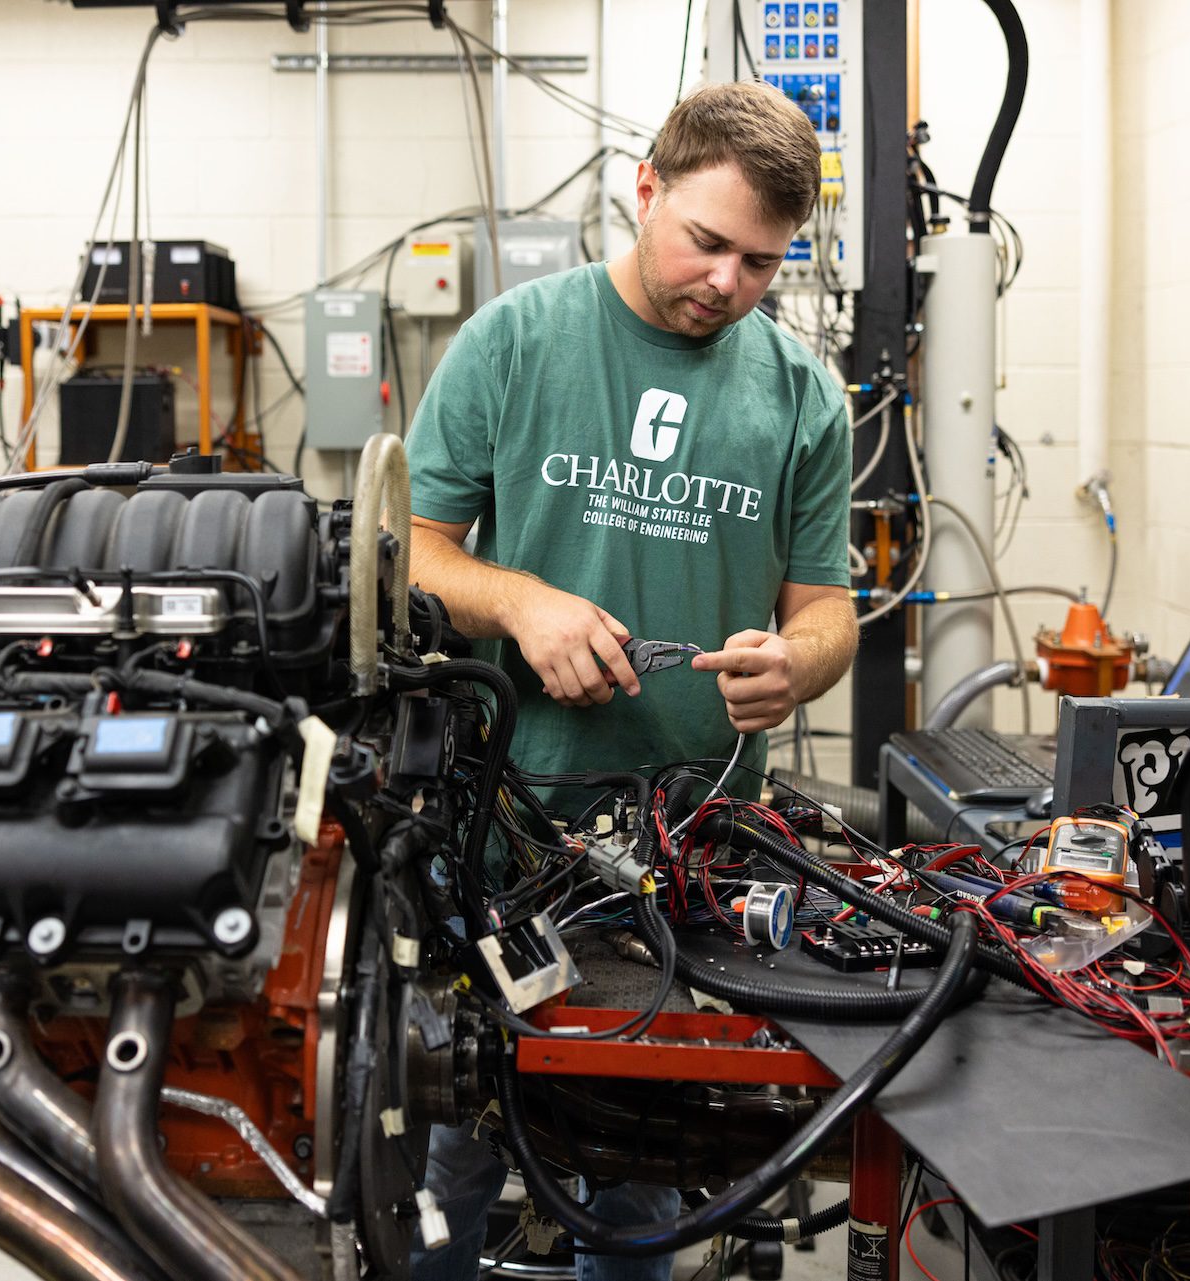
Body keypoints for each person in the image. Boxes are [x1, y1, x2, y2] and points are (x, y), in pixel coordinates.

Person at [402, 79, 860, 1281]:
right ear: (645, 189)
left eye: (763, 262)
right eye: (708, 243)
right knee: (451, 1147)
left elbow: (826, 611)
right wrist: (519, 599)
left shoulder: (802, 391)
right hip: (501, 829)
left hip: (686, 841)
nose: (729, 283)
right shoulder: (516, 340)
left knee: (640, 1169)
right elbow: (410, 555)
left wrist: (796, 664)